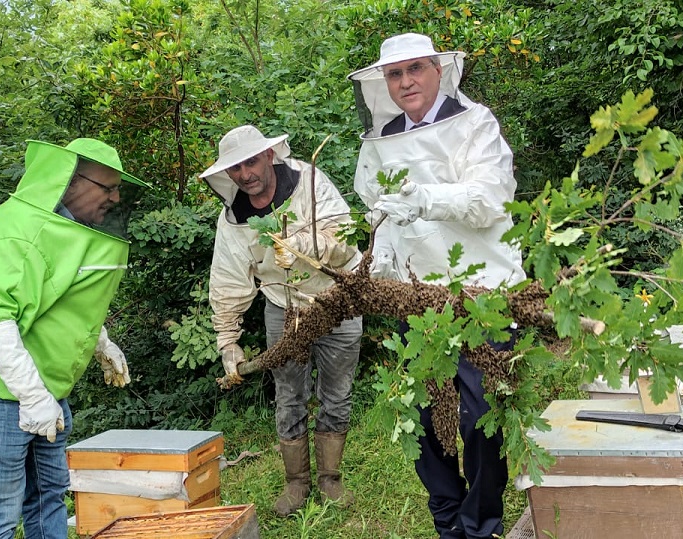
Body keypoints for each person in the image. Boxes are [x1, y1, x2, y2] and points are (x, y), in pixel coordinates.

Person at [349, 33, 526, 539]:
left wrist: (425, 197)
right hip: (417, 300)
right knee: (427, 424)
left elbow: (490, 200)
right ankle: (448, 522)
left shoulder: (476, 124)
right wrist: (376, 268)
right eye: (394, 74)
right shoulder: (380, 142)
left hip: (482, 294)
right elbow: (380, 219)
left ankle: (481, 524)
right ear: (383, 83)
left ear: (439, 71)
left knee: (480, 420)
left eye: (416, 69)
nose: (406, 82)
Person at [0, 138, 146, 539]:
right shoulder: (15, 230)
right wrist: (32, 396)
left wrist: (100, 342)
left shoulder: (73, 230)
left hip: (47, 389)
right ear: (70, 181)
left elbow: (60, 300)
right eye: (108, 187)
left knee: (49, 498)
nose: (116, 198)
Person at [201, 125, 364, 516]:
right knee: (289, 398)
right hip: (282, 306)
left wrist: (304, 244)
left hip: (335, 299)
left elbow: (347, 239)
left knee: (337, 394)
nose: (245, 174)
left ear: (270, 156)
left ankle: (330, 479)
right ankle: (296, 485)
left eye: (252, 162)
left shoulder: (309, 182)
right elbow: (227, 280)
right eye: (236, 168)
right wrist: (228, 341)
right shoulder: (234, 218)